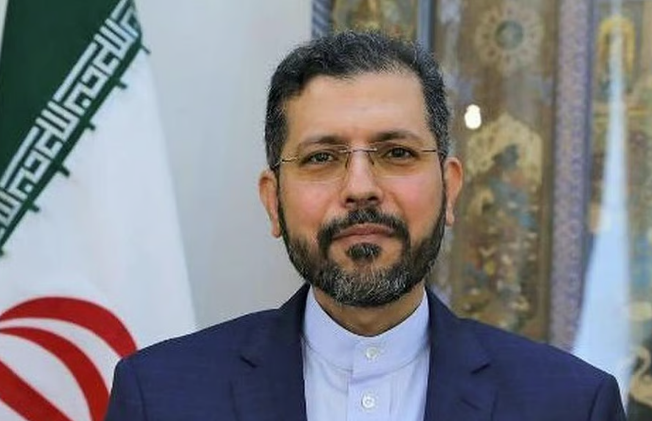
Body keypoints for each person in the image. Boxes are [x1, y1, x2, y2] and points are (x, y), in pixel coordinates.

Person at [104, 31, 626, 421]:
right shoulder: (160, 397)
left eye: (396, 153)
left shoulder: (571, 404)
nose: (360, 187)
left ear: (450, 189)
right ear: (272, 202)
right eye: (321, 157)